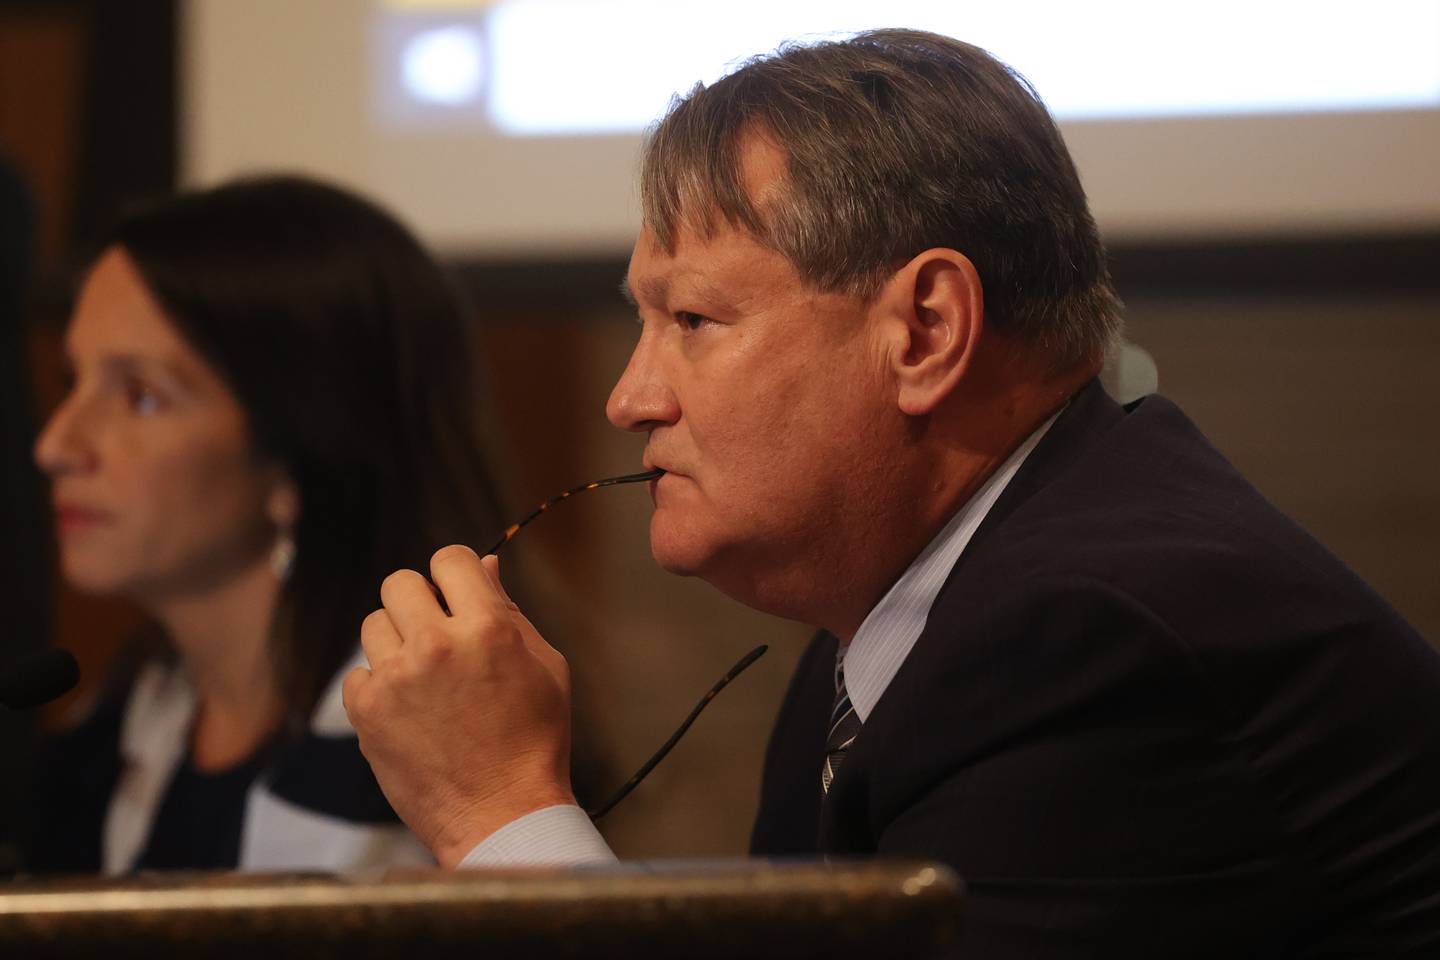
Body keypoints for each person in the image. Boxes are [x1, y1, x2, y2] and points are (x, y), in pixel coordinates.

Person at [342, 30, 1440, 956]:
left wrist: (501, 815)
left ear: (924, 331)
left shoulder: (1094, 638)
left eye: (692, 321)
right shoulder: (891, 632)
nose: (629, 398)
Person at [26, 175, 504, 874]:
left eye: (139, 396)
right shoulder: (115, 725)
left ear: (296, 455)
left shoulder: (414, 771)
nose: (57, 445)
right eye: (75, 381)